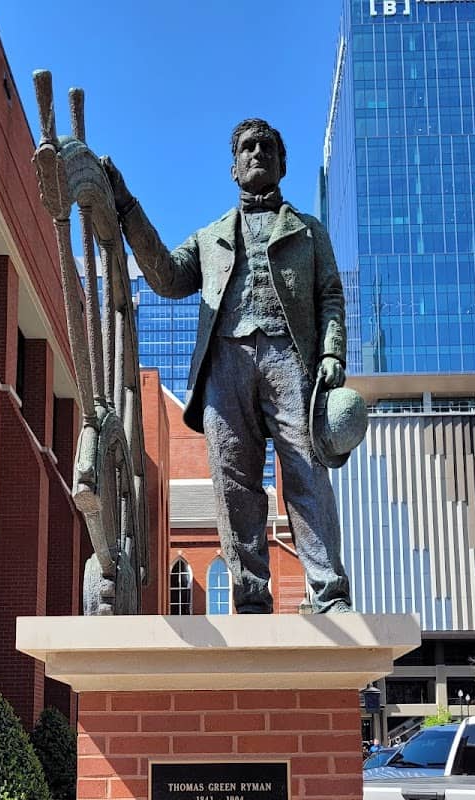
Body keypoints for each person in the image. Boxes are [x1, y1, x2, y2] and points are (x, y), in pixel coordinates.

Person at [102, 118, 354, 614]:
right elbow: (167, 278)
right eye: (247, 147)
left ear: (281, 164)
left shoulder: (308, 231)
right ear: (234, 168)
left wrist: (331, 352)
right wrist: (128, 208)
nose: (257, 153)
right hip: (226, 364)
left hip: (289, 359)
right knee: (233, 482)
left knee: (306, 472)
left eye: (267, 147)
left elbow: (330, 295)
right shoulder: (212, 236)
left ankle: (329, 593)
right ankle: (251, 598)